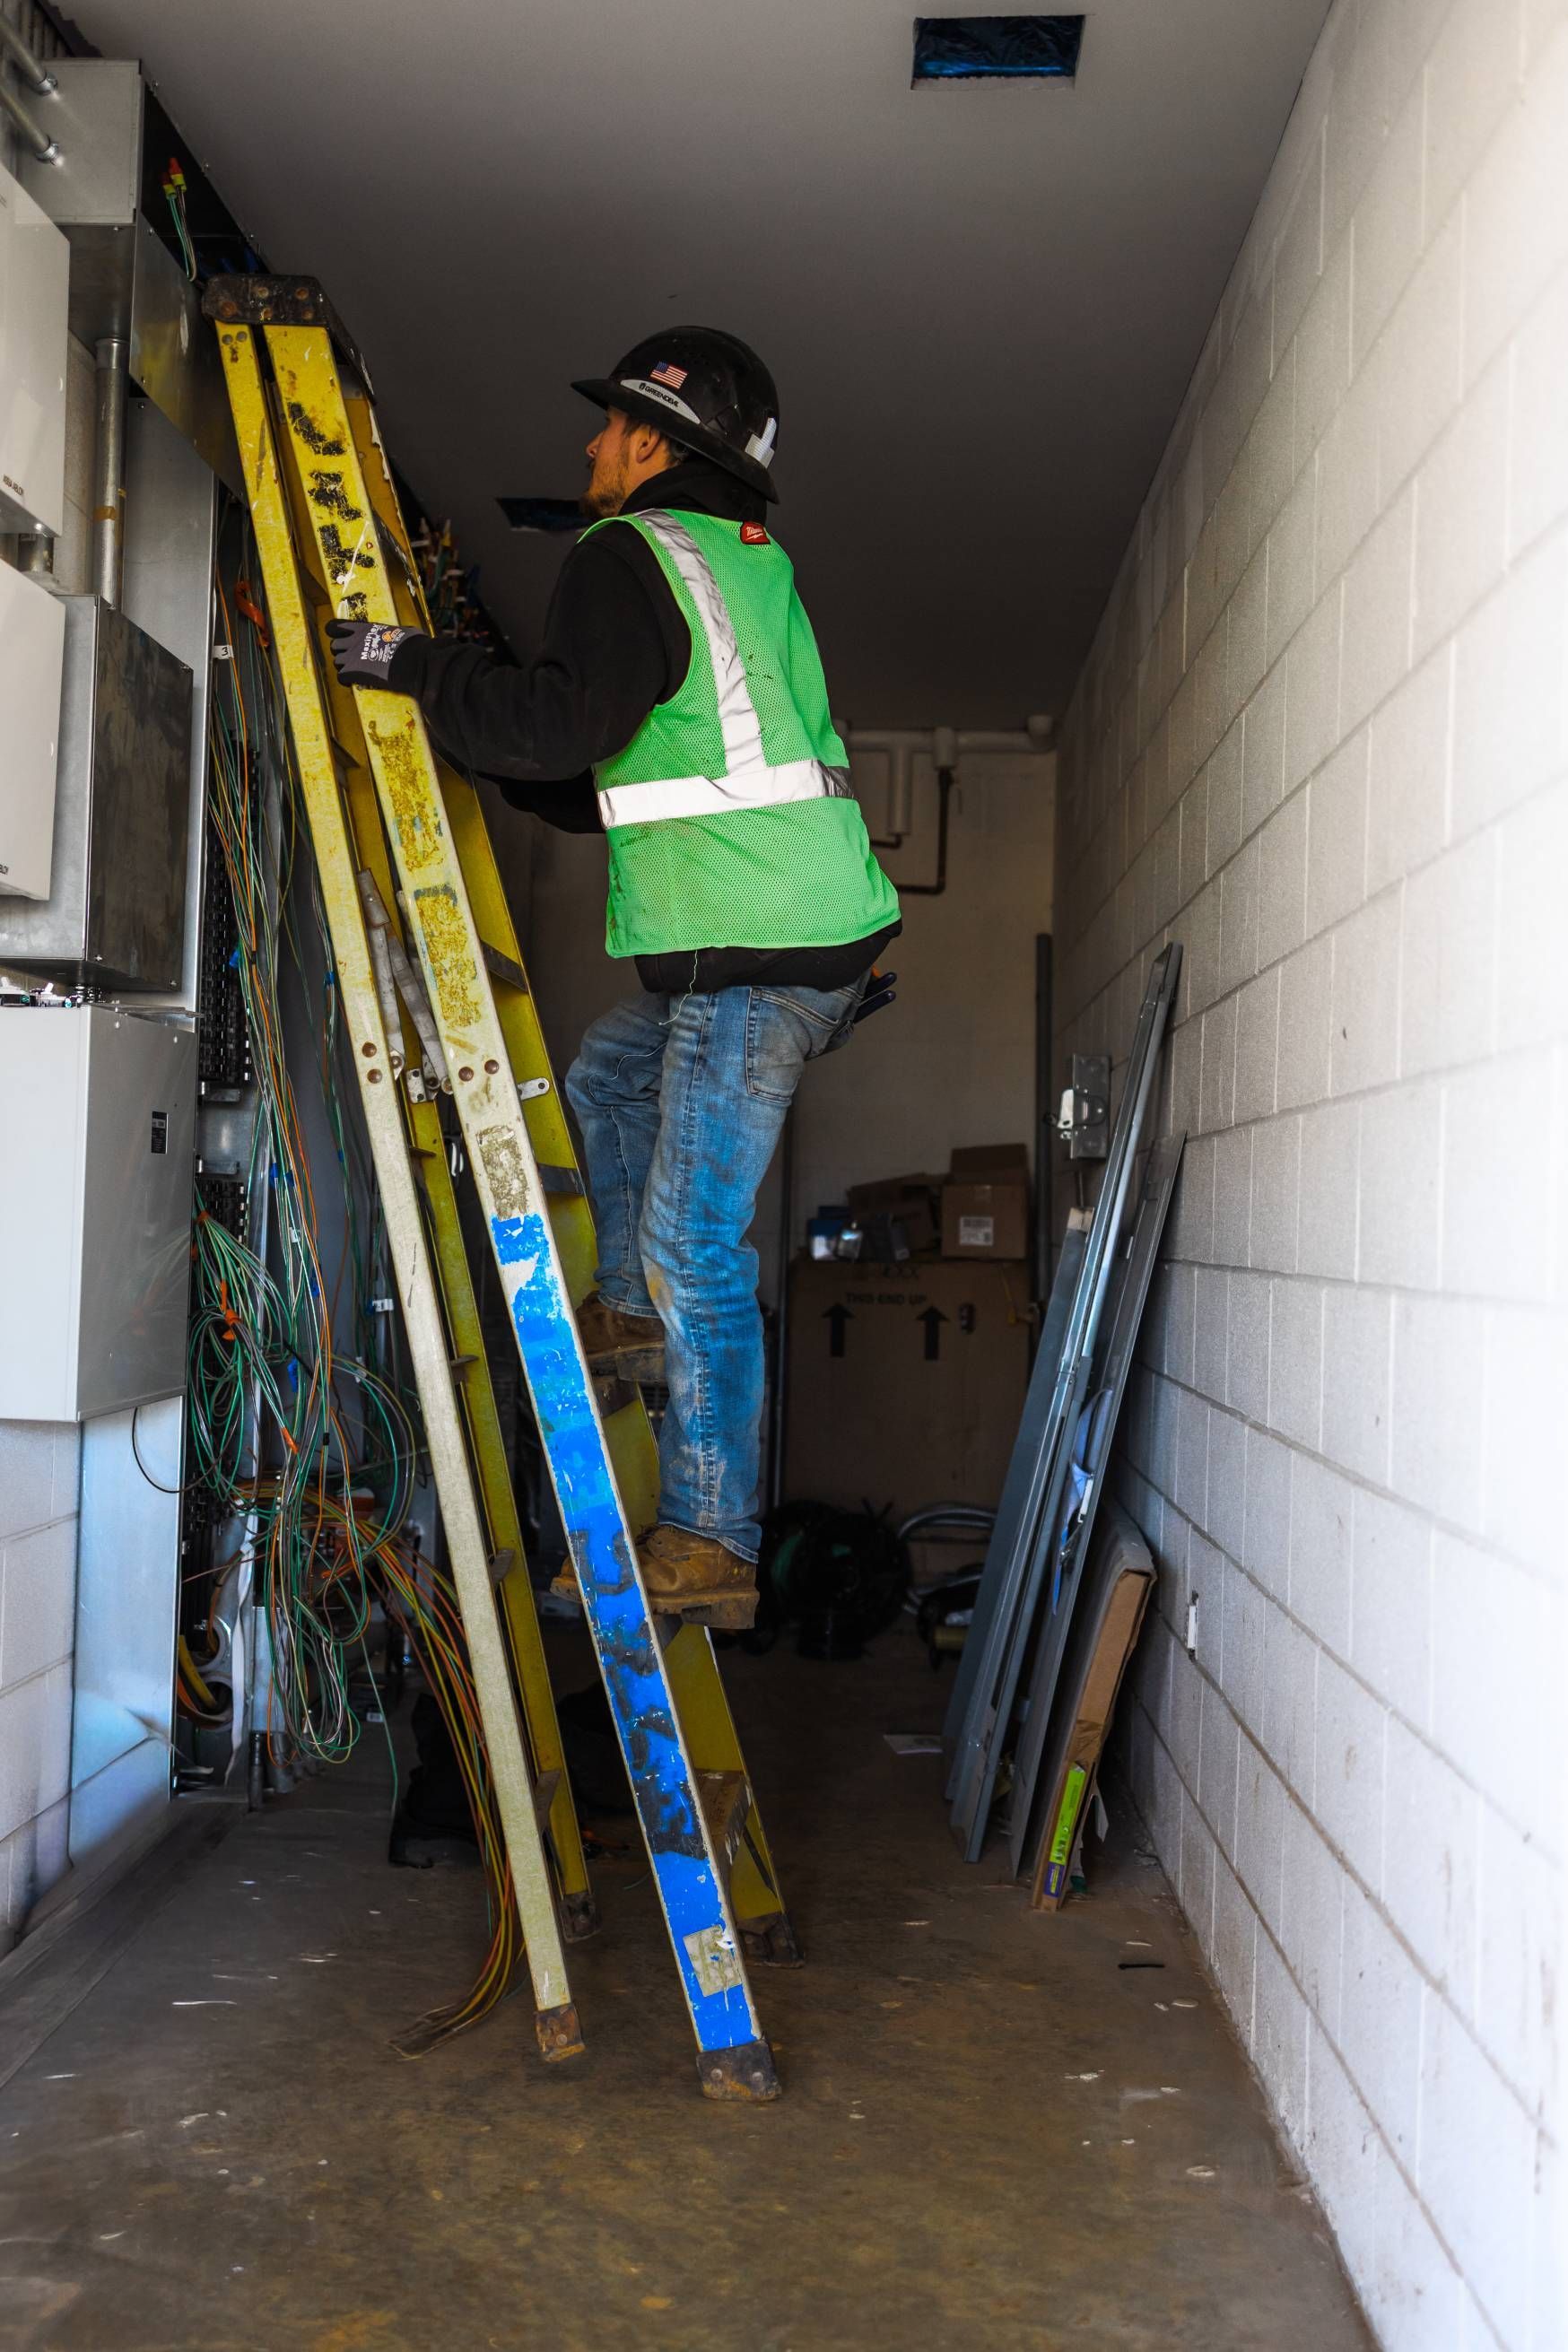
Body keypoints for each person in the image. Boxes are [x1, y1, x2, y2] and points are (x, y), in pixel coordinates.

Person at [327, 327, 899, 1627]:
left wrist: (414, 665)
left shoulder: (628, 553)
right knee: (608, 1071)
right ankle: (633, 1318)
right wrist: (479, 719)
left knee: (695, 1240)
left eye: (607, 427)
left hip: (760, 956)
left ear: (653, 442)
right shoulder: (743, 566)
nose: (589, 446)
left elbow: (559, 726)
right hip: (791, 936)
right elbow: (610, 773)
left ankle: (710, 1536)